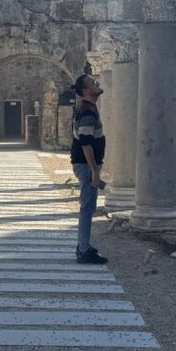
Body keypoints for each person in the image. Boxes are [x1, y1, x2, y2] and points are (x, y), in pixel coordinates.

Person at [69, 72, 108, 264]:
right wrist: (94, 170)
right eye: (93, 83)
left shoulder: (87, 108)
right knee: (87, 208)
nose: (97, 84)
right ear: (86, 90)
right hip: (86, 166)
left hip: (85, 165)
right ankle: (84, 250)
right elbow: (86, 143)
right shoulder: (87, 111)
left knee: (88, 206)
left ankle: (83, 246)